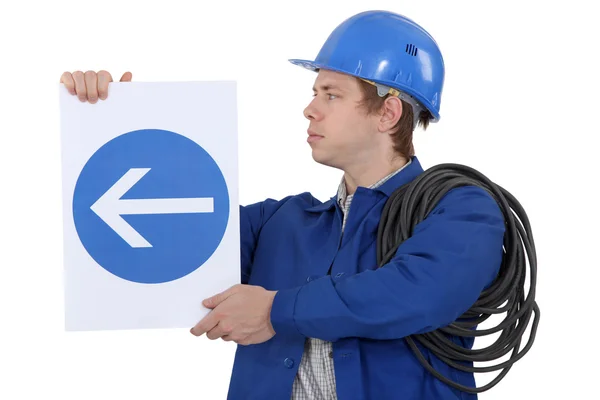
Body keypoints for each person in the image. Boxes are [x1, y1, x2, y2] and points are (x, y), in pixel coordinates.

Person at [60, 10, 505, 400]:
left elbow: (416, 292)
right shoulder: (282, 223)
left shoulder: (463, 210)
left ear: (387, 114)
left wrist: (276, 311)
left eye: (331, 94)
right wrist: (114, 121)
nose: (310, 110)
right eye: (314, 93)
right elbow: (168, 240)